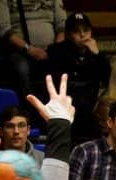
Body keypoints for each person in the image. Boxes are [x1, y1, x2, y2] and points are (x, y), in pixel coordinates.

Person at [46, 12, 110, 144]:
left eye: (86, 30)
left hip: (89, 110)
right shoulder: (56, 52)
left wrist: (98, 55)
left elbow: (108, 80)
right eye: (76, 31)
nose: (82, 35)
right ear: (69, 35)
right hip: (66, 107)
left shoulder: (97, 55)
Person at [0, 0, 65, 102]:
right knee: (22, 68)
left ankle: (56, 107)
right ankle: (30, 108)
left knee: (63, 65)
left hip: (50, 50)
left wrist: (56, 49)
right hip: (19, 51)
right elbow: (3, 30)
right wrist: (29, 49)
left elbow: (62, 27)